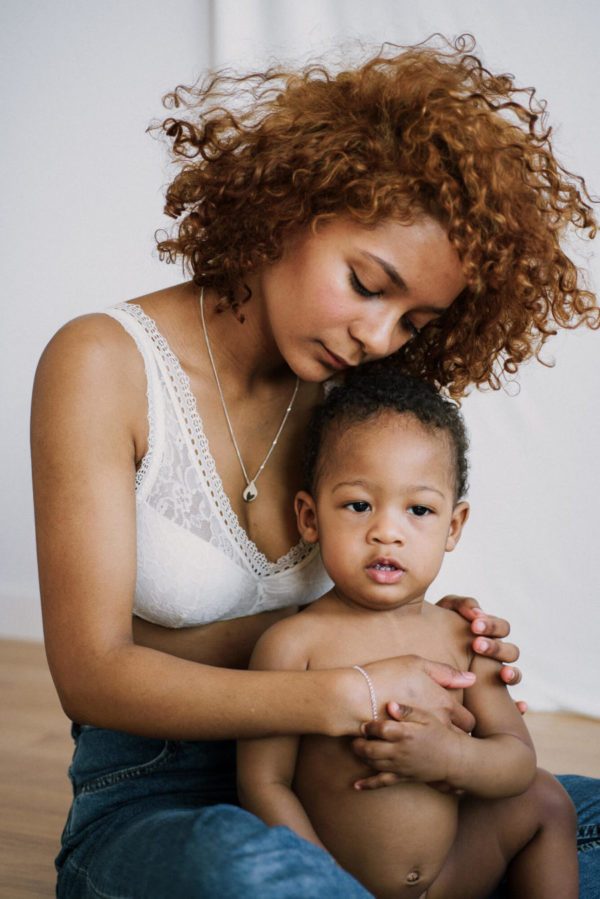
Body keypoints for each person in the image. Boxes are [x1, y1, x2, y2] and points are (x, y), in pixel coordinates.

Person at [30, 35, 600, 898]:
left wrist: (427, 626)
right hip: (155, 789)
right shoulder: (102, 363)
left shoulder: (353, 396)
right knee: (241, 866)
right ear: (293, 205)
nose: (379, 338)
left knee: (565, 808)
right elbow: (92, 670)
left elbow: (383, 553)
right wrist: (349, 681)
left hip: (358, 789)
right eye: (369, 283)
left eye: (413, 321)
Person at [238, 370, 578, 899]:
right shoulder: (294, 645)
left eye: (419, 510)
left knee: (547, 800)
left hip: (446, 878)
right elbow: (264, 785)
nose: (387, 531)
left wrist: (450, 758)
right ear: (310, 517)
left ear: (453, 526)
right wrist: (323, 885)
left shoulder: (465, 638)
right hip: (341, 883)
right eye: (358, 505)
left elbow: (515, 760)